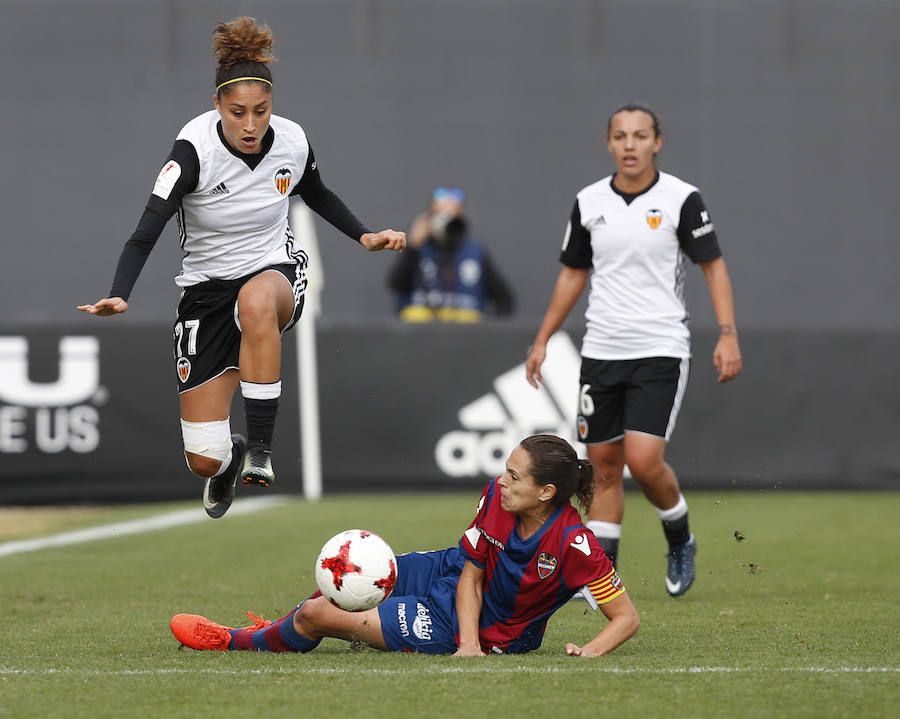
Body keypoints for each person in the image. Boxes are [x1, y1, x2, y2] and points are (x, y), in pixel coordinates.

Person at [77, 17, 405, 519]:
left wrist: (364, 235)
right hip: (206, 293)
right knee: (202, 460)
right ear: (217, 108)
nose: (251, 125)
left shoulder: (293, 141)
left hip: (274, 271)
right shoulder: (192, 151)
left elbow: (315, 193)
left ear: (272, 104)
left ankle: (262, 453)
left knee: (255, 301)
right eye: (237, 113)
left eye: (261, 111)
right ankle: (229, 460)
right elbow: (147, 229)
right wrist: (121, 292)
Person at [525, 103, 742, 597]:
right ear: (608, 142)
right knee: (600, 465)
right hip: (602, 349)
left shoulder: (681, 199)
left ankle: (679, 534)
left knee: (643, 461)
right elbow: (573, 273)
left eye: (640, 136)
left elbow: (713, 266)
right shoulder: (588, 201)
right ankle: (603, 575)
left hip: (660, 346)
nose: (629, 144)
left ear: (656, 142)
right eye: (620, 136)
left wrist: (727, 332)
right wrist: (541, 340)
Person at [170, 434, 639, 657]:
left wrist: (589, 650)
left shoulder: (574, 544)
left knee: (316, 615)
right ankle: (286, 627)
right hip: (450, 573)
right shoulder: (499, 496)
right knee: (348, 576)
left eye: (515, 476)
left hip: (473, 628)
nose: (502, 480)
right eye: (506, 468)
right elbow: (472, 573)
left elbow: (626, 618)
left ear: (546, 493)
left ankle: (233, 640)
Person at [387, 187, 515, 322]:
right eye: (440, 216)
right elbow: (395, 284)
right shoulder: (418, 250)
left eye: (452, 218)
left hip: (464, 336)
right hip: (422, 334)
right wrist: (412, 247)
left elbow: (505, 299)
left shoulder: (475, 253)